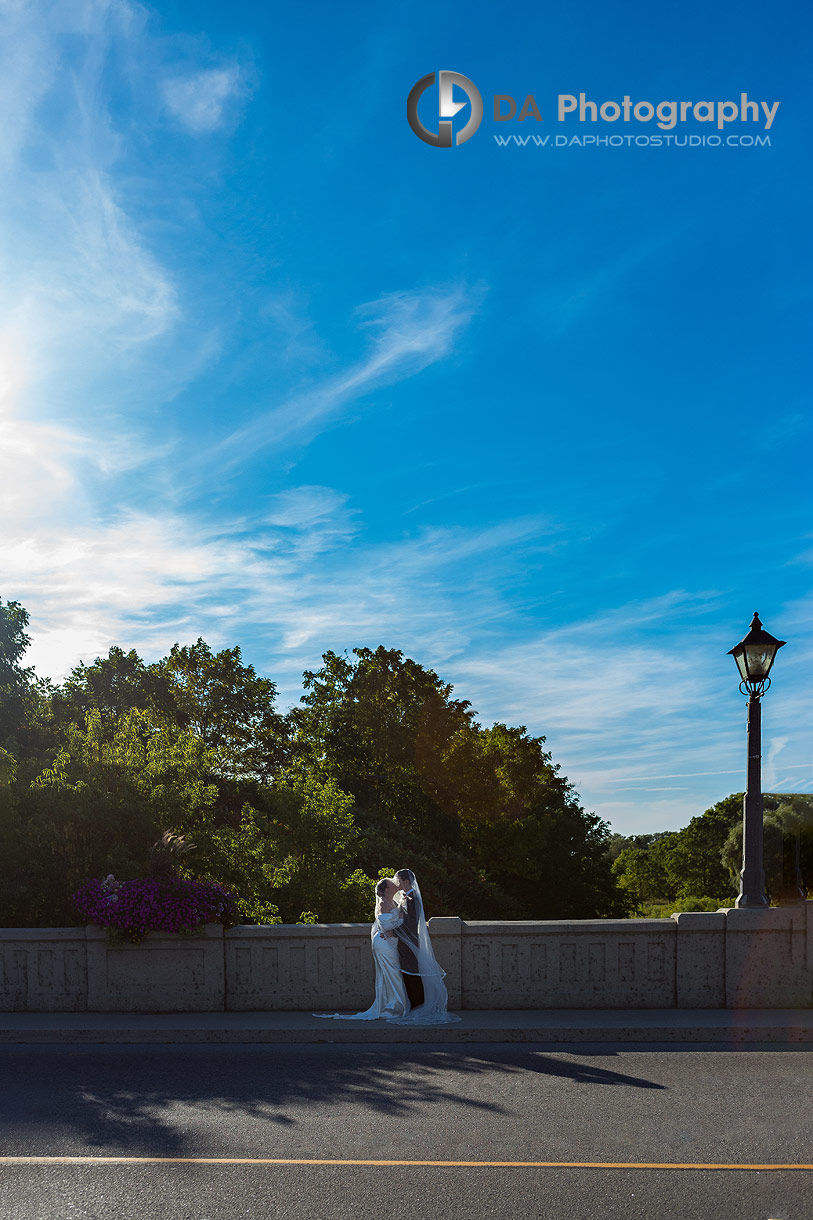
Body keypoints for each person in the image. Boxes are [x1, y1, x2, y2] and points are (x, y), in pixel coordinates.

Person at [313, 878, 409, 1021]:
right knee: (392, 972)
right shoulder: (382, 904)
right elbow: (387, 927)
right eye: (391, 884)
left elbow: (395, 920)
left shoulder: (393, 902)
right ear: (387, 890)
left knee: (392, 972)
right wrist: (397, 927)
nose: (395, 885)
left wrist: (402, 907)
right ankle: (394, 1007)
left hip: (390, 942)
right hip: (383, 942)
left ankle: (393, 1005)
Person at [387, 868, 461, 1026]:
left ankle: (418, 1006)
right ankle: (414, 1005)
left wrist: (393, 930)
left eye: (398, 879)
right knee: (407, 973)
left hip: (409, 942)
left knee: (411, 973)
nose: (396, 882)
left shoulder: (413, 898)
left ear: (406, 881)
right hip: (404, 941)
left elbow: (411, 923)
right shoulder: (406, 897)